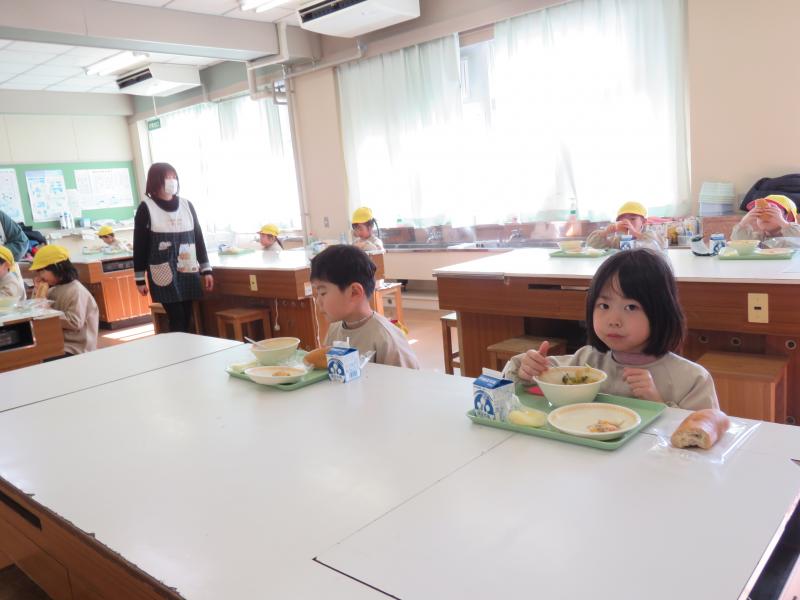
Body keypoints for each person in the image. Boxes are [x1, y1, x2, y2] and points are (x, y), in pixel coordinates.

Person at [503, 248, 718, 410]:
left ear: (660, 312)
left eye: (631, 307)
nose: (613, 320)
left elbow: (705, 436)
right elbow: (517, 378)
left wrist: (657, 403)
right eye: (604, 306)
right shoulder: (585, 361)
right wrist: (528, 369)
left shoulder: (692, 380)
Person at [133, 162, 213, 333]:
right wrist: (139, 279)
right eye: (167, 177)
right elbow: (139, 245)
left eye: (174, 177)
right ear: (156, 181)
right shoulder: (146, 208)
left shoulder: (186, 205)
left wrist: (206, 269)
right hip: (163, 271)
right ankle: (178, 348)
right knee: (177, 318)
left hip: (188, 268)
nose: (172, 181)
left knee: (187, 317)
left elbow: (198, 238)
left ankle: (187, 348)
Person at [311, 244, 418, 369]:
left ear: (354, 292)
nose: (318, 301)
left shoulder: (386, 338)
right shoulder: (334, 330)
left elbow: (409, 379)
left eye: (323, 293)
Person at [29, 245, 99, 355]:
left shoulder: (76, 291)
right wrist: (37, 291)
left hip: (75, 348)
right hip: (56, 343)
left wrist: (49, 311)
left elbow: (75, 323)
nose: (40, 276)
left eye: (42, 271)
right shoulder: (52, 289)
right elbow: (35, 310)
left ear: (58, 268)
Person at [586, 201, 665, 250]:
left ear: (643, 221)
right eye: (622, 220)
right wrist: (605, 233)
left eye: (632, 219)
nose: (627, 222)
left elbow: (657, 245)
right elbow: (592, 246)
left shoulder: (649, 234)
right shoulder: (618, 240)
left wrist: (634, 233)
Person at [731, 194, 800, 246]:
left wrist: (783, 222)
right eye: (759, 212)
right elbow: (738, 244)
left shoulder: (792, 236)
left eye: (772, 211)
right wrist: (743, 223)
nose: (764, 216)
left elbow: (797, 239)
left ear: (789, 217)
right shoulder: (757, 239)